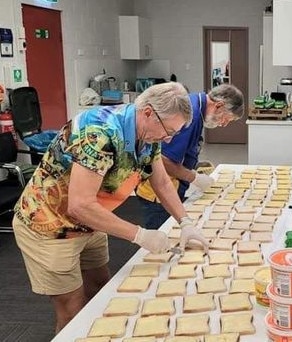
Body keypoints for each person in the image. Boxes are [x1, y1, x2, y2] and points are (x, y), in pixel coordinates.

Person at [12, 82, 208, 333]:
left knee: (101, 289)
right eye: (168, 131)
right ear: (148, 112)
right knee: (72, 307)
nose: (168, 138)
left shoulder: (149, 132)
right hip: (50, 225)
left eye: (174, 134)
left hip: (92, 221)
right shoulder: (99, 134)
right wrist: (140, 235)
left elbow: (160, 181)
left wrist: (186, 222)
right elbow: (80, 205)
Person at [136, 84, 244, 228]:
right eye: (227, 118)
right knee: (161, 237)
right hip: (158, 193)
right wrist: (194, 177)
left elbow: (177, 151)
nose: (224, 124)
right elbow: (162, 159)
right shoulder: (190, 116)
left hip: (171, 187)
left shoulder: (196, 107)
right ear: (219, 105)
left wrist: (194, 166)